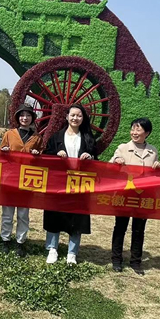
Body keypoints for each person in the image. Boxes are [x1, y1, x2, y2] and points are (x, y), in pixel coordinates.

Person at [43, 104, 97, 265]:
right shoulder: (56, 137)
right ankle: (52, 249)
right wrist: (55, 154)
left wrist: (90, 157)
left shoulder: (88, 138)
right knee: (54, 215)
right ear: (67, 117)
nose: (75, 118)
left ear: (83, 118)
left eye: (79, 115)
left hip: (79, 184)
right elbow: (46, 157)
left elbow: (96, 160)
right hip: (58, 183)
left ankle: (72, 252)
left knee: (77, 218)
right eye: (72, 115)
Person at [109, 117, 160, 275]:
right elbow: (110, 165)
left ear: (147, 133)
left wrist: (159, 166)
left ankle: (136, 261)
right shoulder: (123, 148)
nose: (134, 132)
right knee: (120, 228)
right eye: (132, 128)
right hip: (124, 195)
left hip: (144, 196)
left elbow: (156, 173)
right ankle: (116, 259)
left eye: (138, 129)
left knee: (139, 230)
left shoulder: (153, 151)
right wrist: (116, 160)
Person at [0, 104, 43, 257]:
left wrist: (37, 154)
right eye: (22, 115)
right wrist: (3, 151)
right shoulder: (9, 134)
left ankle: (20, 242)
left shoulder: (37, 138)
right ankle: (5, 239)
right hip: (9, 179)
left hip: (27, 180)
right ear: (18, 117)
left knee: (23, 214)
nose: (25, 118)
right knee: (7, 212)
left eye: (28, 115)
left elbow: (42, 159)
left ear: (32, 118)